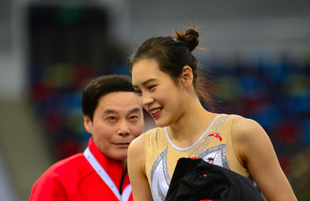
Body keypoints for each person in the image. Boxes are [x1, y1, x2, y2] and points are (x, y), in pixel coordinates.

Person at [126, 28, 298, 201]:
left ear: (185, 77)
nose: (145, 101)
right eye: (138, 91)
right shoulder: (140, 150)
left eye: (151, 87)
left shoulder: (242, 133)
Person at [29, 74, 144, 201]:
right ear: (88, 122)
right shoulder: (58, 181)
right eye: (111, 118)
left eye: (133, 117)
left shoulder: (158, 178)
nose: (124, 130)